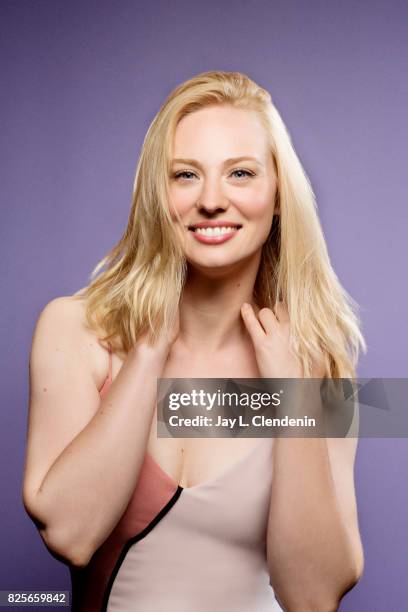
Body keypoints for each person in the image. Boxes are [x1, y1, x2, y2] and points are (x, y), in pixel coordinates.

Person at [22, 71, 366, 611]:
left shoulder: (319, 365)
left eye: (241, 173)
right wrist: (150, 349)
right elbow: (71, 535)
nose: (211, 200)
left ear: (278, 196)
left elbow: (314, 596)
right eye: (185, 174)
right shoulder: (76, 330)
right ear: (159, 194)